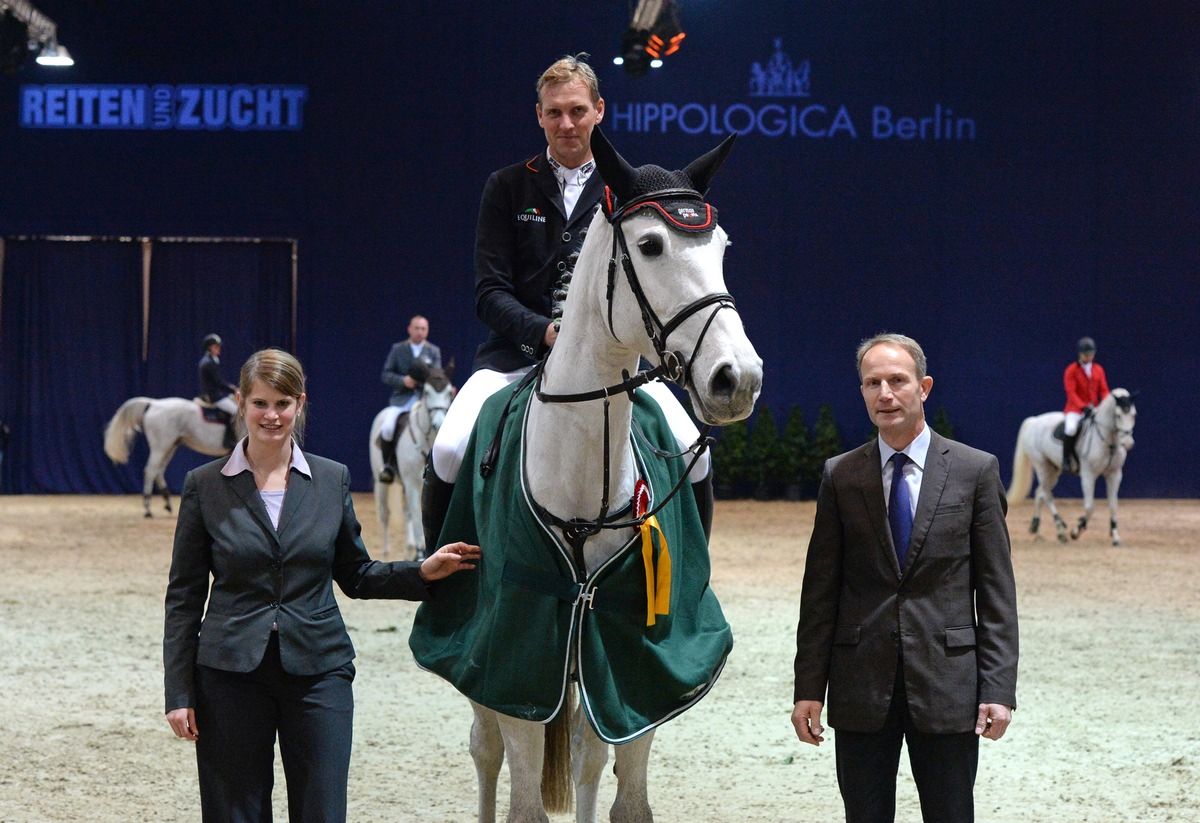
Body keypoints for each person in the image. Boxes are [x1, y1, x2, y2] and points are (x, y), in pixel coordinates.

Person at [164, 347, 480, 823]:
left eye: (283, 403)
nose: (272, 415)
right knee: (234, 814)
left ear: (300, 404)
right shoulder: (203, 486)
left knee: (323, 812)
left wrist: (420, 572)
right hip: (228, 675)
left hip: (318, 673)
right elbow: (184, 599)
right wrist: (178, 692)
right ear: (243, 404)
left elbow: (355, 574)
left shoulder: (332, 480)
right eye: (260, 403)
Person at [425, 53, 712, 550]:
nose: (566, 123)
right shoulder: (507, 186)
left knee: (696, 453)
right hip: (514, 358)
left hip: (616, 364)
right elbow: (489, 292)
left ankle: (693, 583)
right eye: (554, 112)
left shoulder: (630, 190)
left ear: (599, 110)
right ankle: (442, 583)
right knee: (449, 448)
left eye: (577, 110)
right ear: (538, 115)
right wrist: (544, 332)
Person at [791, 333, 1019, 823]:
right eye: (872, 383)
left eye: (897, 381)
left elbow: (997, 592)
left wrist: (998, 689)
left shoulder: (976, 471)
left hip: (947, 684)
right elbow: (820, 594)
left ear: (924, 387)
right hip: (859, 686)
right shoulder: (840, 475)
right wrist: (808, 687)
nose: (885, 393)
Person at [377, 315, 442, 483]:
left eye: (423, 329)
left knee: (439, 426)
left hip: (424, 402)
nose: (420, 332)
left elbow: (437, 376)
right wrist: (402, 380)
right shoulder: (398, 349)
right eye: (417, 328)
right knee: (387, 427)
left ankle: (438, 467)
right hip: (402, 399)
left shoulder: (433, 351)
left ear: (427, 331)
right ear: (410, 329)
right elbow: (386, 374)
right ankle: (388, 465)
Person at [1062, 335, 1110, 474]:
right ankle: (1066, 458)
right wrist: (1082, 406)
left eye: (1091, 354)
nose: (1089, 357)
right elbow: (1070, 392)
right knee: (1070, 429)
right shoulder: (1071, 370)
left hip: (1094, 407)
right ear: (1080, 354)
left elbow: (1104, 389)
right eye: (1086, 354)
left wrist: (1105, 404)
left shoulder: (1098, 369)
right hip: (1075, 409)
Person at [198, 333, 239, 449]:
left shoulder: (213, 360)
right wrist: (233, 389)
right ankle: (229, 441)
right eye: (217, 346)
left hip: (216, 392)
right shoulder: (208, 363)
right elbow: (218, 382)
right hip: (213, 395)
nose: (219, 349)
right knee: (236, 411)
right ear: (211, 347)